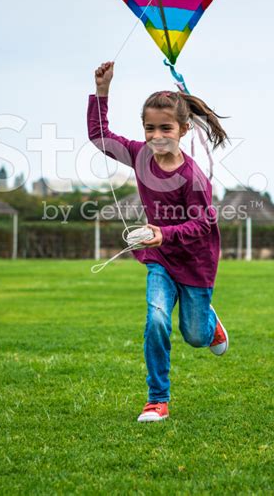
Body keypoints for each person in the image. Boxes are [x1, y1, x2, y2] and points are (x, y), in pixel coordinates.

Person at [87, 60, 230, 423]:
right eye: (149, 128)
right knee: (156, 319)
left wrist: (163, 232)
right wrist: (102, 92)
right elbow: (100, 137)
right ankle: (157, 400)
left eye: (165, 128)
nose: (156, 136)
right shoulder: (139, 155)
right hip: (159, 260)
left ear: (183, 129)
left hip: (195, 263)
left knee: (195, 336)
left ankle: (208, 324)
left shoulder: (193, 177)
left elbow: (203, 223)